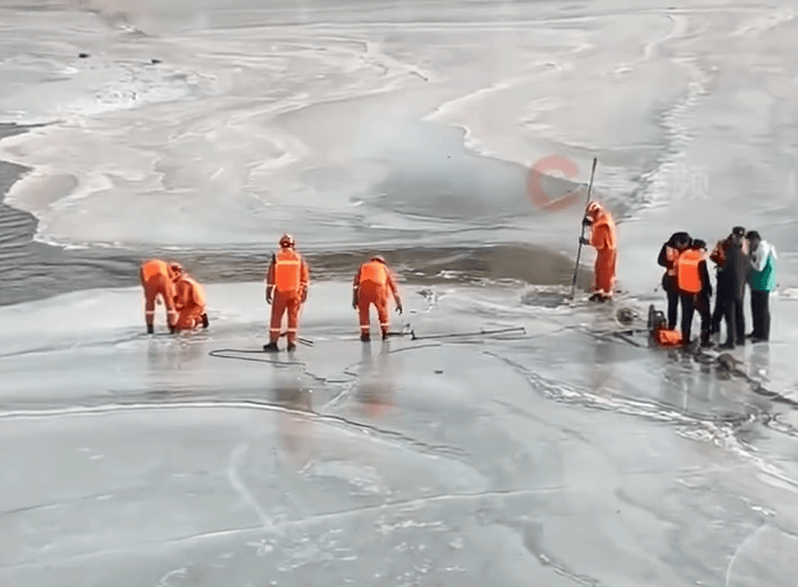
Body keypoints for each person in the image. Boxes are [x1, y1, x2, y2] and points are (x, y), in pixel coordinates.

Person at [263, 233, 310, 352]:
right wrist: (304, 291)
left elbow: (271, 275)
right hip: (295, 293)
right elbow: (305, 276)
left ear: (280, 245)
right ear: (293, 245)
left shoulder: (277, 257)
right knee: (293, 318)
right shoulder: (299, 258)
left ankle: (273, 343)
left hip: (281, 292)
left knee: (276, 318)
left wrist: (269, 289)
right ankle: (291, 342)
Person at [352, 255, 403, 341]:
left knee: (363, 312)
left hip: (364, 289)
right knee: (382, 311)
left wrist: (355, 299)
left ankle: (365, 334)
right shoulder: (384, 268)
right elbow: (393, 287)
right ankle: (385, 333)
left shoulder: (363, 266)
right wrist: (398, 303)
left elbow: (356, 285)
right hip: (378, 289)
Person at [675, 238, 713, 347]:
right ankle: (705, 340)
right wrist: (708, 291)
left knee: (686, 316)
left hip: (684, 291)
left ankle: (685, 340)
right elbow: (704, 277)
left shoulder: (683, 256)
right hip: (698, 293)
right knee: (706, 317)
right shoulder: (699, 258)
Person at [710, 226, 746, 334]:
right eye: (737, 235)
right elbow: (713, 256)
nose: (739, 238)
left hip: (739, 278)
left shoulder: (745, 245)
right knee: (720, 305)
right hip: (723, 277)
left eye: (741, 236)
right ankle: (715, 330)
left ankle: (739, 335)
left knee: (739, 307)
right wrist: (724, 264)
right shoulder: (723, 244)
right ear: (733, 234)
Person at [580, 201, 617, 302]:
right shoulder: (604, 217)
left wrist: (586, 241)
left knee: (604, 271)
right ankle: (603, 290)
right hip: (610, 249)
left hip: (606, 250)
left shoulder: (601, 225)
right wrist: (591, 223)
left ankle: (605, 292)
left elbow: (599, 243)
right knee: (604, 270)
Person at [717, 230, 749, 349]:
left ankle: (730, 341)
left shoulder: (730, 253)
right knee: (740, 314)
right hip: (741, 288)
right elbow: (747, 271)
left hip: (730, 288)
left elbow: (727, 272)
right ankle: (740, 339)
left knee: (730, 316)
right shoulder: (745, 255)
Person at [746, 230, 777, 342]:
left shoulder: (763, 249)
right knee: (755, 308)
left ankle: (763, 335)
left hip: (763, 283)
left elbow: (760, 266)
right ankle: (756, 331)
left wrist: (749, 260)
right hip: (757, 283)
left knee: (762, 309)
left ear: (754, 239)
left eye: (749, 241)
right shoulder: (762, 247)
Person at [657, 232, 691, 330]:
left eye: (684, 245)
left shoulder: (692, 247)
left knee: (687, 307)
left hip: (687, 282)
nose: (682, 247)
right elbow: (660, 260)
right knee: (672, 305)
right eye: (680, 245)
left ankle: (686, 330)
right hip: (672, 281)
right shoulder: (667, 247)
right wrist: (670, 264)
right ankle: (671, 326)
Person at [139, 258, 178, 334]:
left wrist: (155, 297)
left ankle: (150, 328)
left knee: (149, 306)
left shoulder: (144, 266)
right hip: (165, 281)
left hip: (150, 281)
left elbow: (143, 280)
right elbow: (172, 277)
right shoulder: (164, 264)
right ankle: (172, 328)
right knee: (170, 305)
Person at [171, 263, 209, 331]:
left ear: (177, 273)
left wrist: (176, 303)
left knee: (182, 326)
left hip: (194, 305)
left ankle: (198, 320)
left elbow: (184, 300)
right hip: (196, 304)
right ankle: (197, 318)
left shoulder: (182, 282)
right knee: (177, 325)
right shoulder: (186, 280)